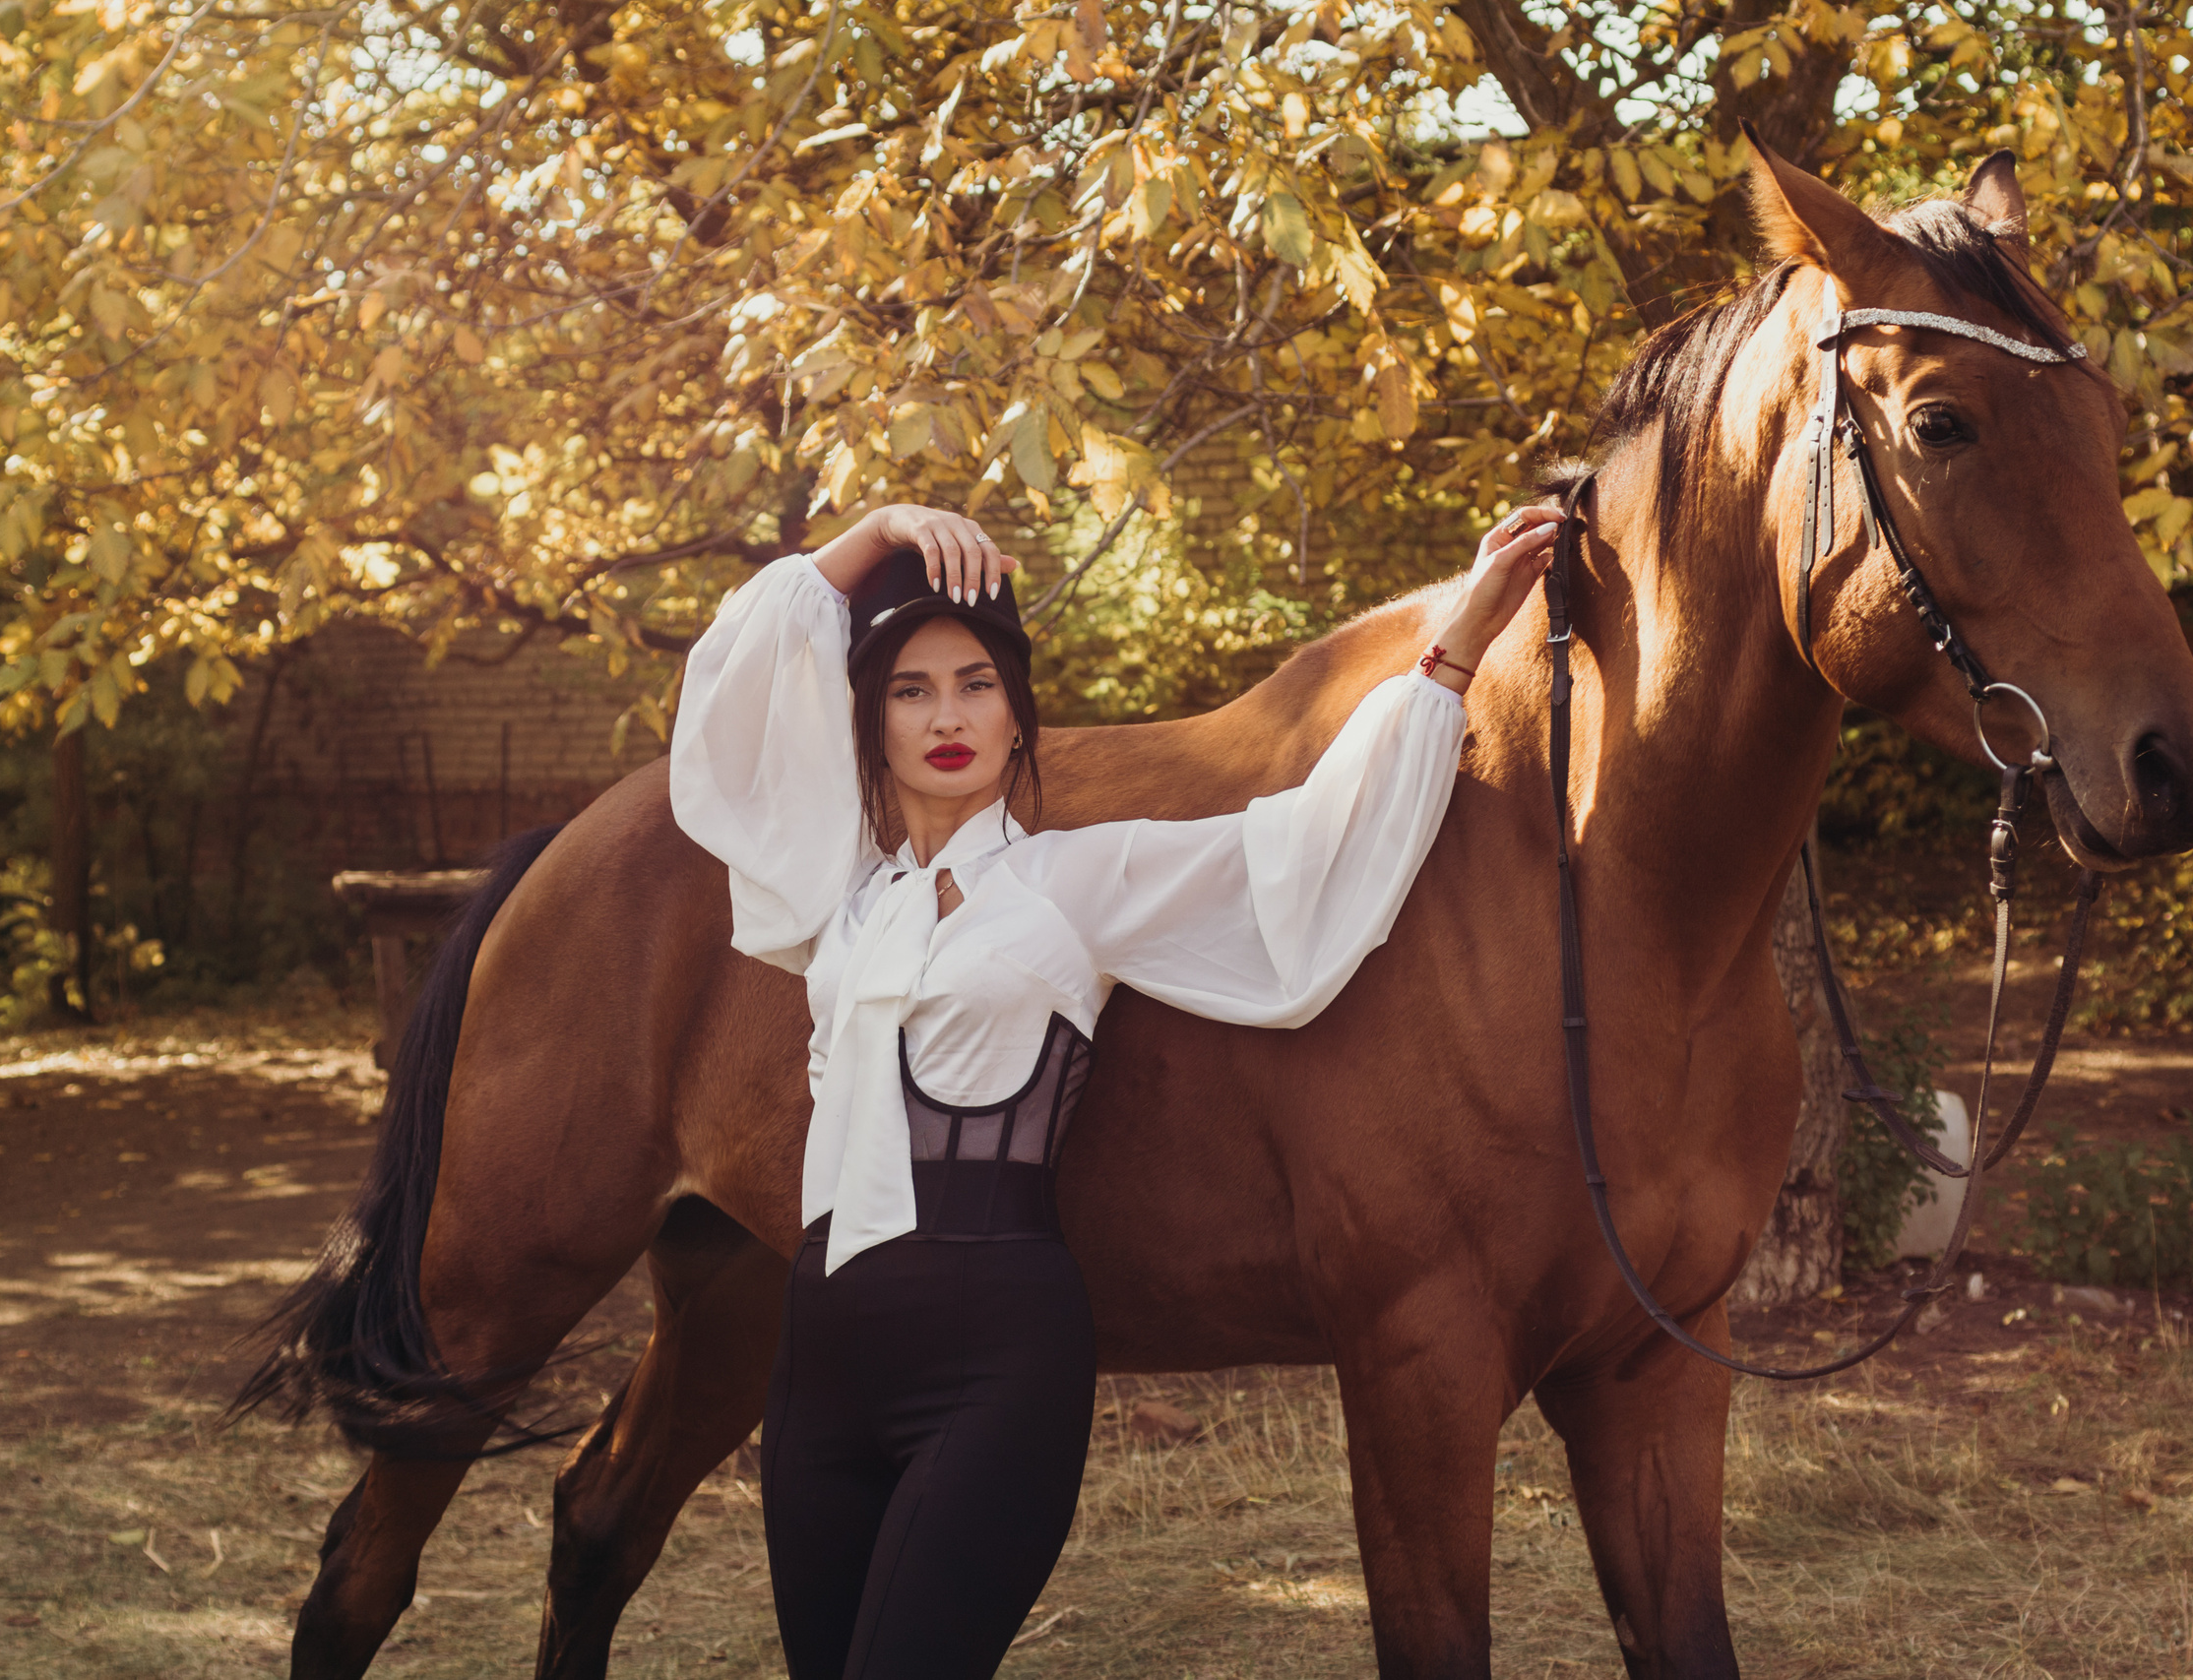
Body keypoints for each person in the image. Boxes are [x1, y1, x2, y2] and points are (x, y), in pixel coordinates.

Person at [668, 499, 1561, 1679]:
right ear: (870, 723)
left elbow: (1306, 849)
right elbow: (733, 703)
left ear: (1015, 714)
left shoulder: (1075, 881)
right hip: (820, 1363)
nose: (947, 716)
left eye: (976, 684)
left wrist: (1453, 643)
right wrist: (874, 530)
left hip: (992, 1358)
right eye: (910, 689)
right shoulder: (839, 892)